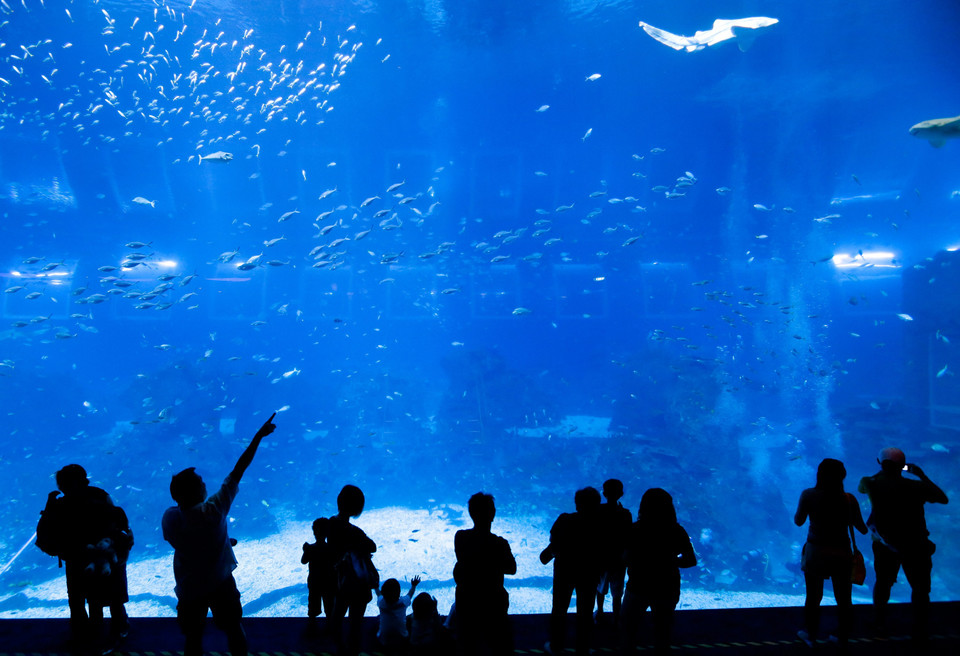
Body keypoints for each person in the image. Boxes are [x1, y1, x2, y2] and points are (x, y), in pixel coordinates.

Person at [161, 412, 277, 656]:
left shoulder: (170, 518)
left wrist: (223, 542)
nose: (205, 484)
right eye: (201, 481)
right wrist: (258, 437)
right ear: (197, 490)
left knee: (193, 635)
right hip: (220, 583)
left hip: (189, 586)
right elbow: (239, 469)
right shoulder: (214, 510)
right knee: (234, 628)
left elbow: (188, 540)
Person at [37, 464, 133, 654]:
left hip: (84, 557)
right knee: (102, 598)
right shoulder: (99, 495)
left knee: (83, 599)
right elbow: (120, 521)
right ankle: (115, 630)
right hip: (97, 556)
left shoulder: (62, 504)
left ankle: (90, 633)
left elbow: (46, 535)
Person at [858, 447, 948, 643]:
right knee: (921, 588)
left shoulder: (871, 482)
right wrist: (921, 475)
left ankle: (879, 623)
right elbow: (942, 498)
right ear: (902, 466)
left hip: (885, 545)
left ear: (880, 464)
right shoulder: (915, 486)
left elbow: (862, 487)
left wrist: (883, 468)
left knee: (883, 583)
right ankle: (920, 628)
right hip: (916, 545)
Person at [794, 458, 867, 647]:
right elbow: (862, 528)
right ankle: (842, 636)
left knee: (813, 596)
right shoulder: (849, 498)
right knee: (844, 598)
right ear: (843, 476)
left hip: (816, 551)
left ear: (819, 474)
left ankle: (810, 635)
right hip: (841, 551)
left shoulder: (809, 494)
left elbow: (798, 521)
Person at [620, 488, 697, 656]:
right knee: (663, 632)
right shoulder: (677, 530)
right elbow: (691, 560)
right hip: (667, 587)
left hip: (638, 586)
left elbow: (624, 558)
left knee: (628, 630)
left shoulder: (635, 529)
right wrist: (669, 560)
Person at [541, 487, 602, 656]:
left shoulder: (564, 519)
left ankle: (556, 645)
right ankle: (583, 648)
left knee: (559, 609)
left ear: (577, 504)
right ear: (597, 505)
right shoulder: (600, 524)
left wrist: (547, 554)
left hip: (564, 571)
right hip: (589, 573)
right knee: (586, 611)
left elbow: (553, 541)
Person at [453, 492, 517, 656]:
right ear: (493, 514)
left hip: (467, 599)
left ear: (471, 513)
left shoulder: (460, 537)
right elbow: (512, 568)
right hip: (494, 601)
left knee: (468, 644)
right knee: (500, 646)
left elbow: (462, 561)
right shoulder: (500, 543)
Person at [327, 484, 378, 656]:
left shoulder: (331, 524)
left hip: (339, 581)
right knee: (356, 620)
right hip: (357, 582)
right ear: (357, 507)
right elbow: (373, 547)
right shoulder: (355, 532)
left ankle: (339, 648)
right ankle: (353, 650)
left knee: (337, 614)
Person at [595, 478, 632, 626]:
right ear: (621, 494)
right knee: (617, 591)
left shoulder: (598, 511)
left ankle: (600, 612)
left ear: (603, 493)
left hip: (602, 557)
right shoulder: (625, 514)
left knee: (600, 588)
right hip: (619, 559)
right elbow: (628, 536)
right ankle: (616, 617)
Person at [302, 517, 336, 621]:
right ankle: (330, 628)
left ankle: (312, 627)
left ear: (314, 532)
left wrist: (305, 550)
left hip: (314, 582)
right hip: (328, 582)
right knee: (329, 607)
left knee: (313, 607)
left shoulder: (310, 548)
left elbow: (303, 561)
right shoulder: (331, 549)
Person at [375, 575, 421, 648]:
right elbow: (410, 594)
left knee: (378, 619)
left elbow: (378, 594)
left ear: (383, 593)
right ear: (399, 592)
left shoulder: (381, 603)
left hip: (383, 642)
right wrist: (413, 585)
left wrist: (376, 587)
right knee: (411, 617)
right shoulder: (403, 602)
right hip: (402, 641)